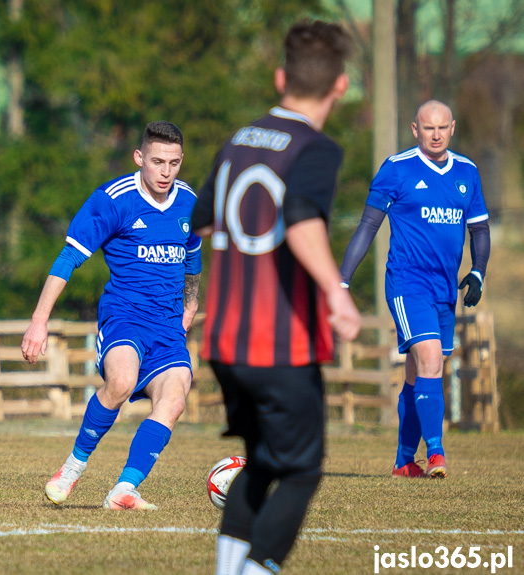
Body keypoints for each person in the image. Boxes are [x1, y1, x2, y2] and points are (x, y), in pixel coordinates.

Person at [192, 21, 360, 575]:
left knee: (263, 463)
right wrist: (336, 293)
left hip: (227, 340)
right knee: (302, 471)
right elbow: (301, 218)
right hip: (279, 342)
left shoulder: (239, 140)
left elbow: (202, 221)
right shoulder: (315, 149)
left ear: (281, 77)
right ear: (339, 85)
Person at [21, 121, 202, 510]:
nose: (166, 171)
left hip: (168, 326)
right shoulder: (113, 198)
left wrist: (192, 302)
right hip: (125, 316)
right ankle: (72, 468)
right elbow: (69, 257)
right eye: (157, 162)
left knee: (174, 400)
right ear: (139, 158)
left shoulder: (188, 200)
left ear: (182, 161)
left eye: (173, 162)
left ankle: (125, 488)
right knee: (121, 382)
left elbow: (193, 254)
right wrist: (40, 320)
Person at [340, 99, 490, 480]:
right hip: (407, 283)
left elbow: (480, 229)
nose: (435, 134)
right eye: (428, 128)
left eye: (442, 127)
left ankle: (405, 462)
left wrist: (478, 272)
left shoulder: (467, 172)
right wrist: (342, 281)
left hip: (445, 288)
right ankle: (436, 453)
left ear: (452, 128)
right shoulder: (397, 170)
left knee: (416, 372)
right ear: (415, 129)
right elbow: (368, 228)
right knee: (431, 360)